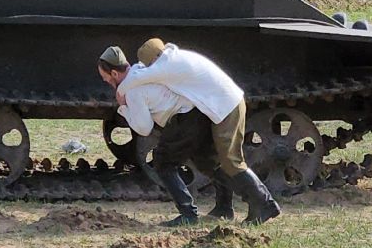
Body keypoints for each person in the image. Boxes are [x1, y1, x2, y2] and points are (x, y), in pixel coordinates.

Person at [97, 40, 282, 226]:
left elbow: (143, 125)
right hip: (208, 110)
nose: (146, 69)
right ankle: (224, 207)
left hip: (223, 107)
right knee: (208, 160)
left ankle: (262, 204)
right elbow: (138, 74)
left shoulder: (166, 65)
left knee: (225, 160)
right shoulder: (171, 58)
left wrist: (122, 103)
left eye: (106, 78)